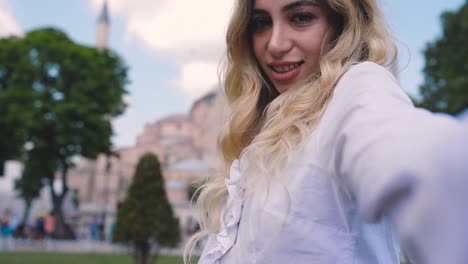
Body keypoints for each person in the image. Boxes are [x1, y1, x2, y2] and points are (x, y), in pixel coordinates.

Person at [184, 0, 468, 263]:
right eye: (261, 22)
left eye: (301, 17)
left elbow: (428, 165)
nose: (275, 43)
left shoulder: (357, 88)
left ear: (342, 22)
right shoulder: (264, 132)